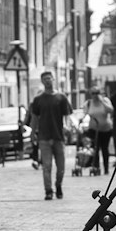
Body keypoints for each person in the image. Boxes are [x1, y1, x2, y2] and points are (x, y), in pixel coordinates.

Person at [27, 70, 72, 200]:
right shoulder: (38, 99)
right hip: (44, 137)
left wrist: (67, 126)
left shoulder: (61, 97)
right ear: (42, 81)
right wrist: (32, 132)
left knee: (61, 167)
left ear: (53, 79)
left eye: (49, 78)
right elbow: (34, 118)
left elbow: (67, 115)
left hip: (59, 137)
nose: (48, 81)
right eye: (45, 79)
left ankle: (58, 185)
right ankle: (48, 190)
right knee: (47, 166)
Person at [84, 90, 113, 174]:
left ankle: (106, 168)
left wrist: (102, 102)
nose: (95, 95)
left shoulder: (105, 101)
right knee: (95, 149)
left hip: (106, 129)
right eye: (93, 93)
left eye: (97, 93)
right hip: (93, 129)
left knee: (104, 149)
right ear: (91, 94)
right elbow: (85, 114)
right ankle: (96, 167)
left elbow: (111, 110)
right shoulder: (88, 103)